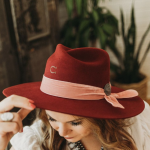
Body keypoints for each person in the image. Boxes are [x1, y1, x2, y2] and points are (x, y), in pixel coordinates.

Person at [0, 44, 150, 150]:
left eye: (75, 122)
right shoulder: (38, 138)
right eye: (52, 118)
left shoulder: (135, 127)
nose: (62, 132)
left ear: (99, 116)